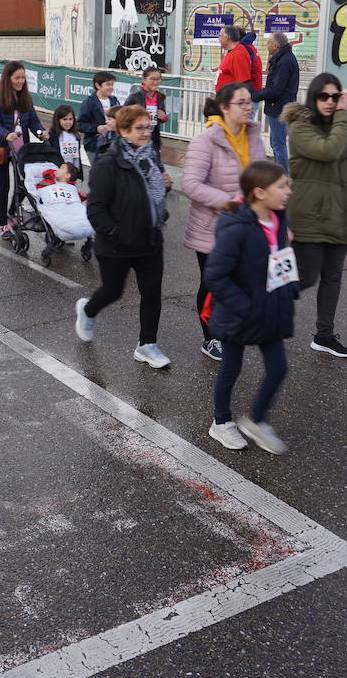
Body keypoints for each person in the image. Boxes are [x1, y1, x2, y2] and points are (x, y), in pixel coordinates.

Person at [204, 160, 297, 453]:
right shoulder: (235, 227)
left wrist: (289, 288)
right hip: (240, 312)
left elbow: (282, 255)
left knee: (278, 368)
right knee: (231, 366)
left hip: (271, 307)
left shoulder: (278, 217)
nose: (288, 191)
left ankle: (256, 421)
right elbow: (215, 276)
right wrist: (245, 306)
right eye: (282, 186)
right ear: (259, 192)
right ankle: (221, 422)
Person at [76, 104, 173, 369]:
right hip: (117, 244)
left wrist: (163, 195)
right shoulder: (108, 163)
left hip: (150, 239)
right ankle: (88, 310)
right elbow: (95, 209)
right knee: (113, 291)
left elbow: (152, 192)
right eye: (139, 128)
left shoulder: (150, 155)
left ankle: (147, 345)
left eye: (148, 127)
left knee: (152, 292)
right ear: (123, 131)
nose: (146, 133)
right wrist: (116, 233)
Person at [281, 73, 347, 358]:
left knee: (333, 276)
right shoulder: (299, 127)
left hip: (339, 214)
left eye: (335, 96)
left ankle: (324, 335)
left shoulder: (336, 128)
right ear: (313, 97)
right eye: (324, 96)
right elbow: (328, 151)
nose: (330, 102)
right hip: (310, 215)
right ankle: (265, 305)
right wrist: (342, 116)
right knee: (306, 277)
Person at [182, 82, 263, 361]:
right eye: (241, 102)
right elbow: (190, 184)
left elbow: (262, 176)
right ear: (225, 107)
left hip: (245, 226)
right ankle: (211, 338)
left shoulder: (253, 135)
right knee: (213, 284)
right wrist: (229, 203)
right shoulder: (206, 140)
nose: (248, 107)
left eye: (250, 101)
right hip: (212, 228)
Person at [0, 61, 45, 237]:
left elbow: (33, 121)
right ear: (8, 79)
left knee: (23, 184)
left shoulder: (26, 98)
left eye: (23, 78)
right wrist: (6, 134)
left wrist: (40, 132)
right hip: (1, 146)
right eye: (17, 78)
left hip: (21, 147)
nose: (20, 81)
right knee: (4, 186)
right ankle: (4, 224)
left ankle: (11, 213)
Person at [255, 32, 300, 168]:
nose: (266, 45)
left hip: (280, 108)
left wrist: (255, 95)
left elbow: (276, 89)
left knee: (278, 144)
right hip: (278, 106)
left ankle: (282, 176)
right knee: (276, 143)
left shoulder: (284, 61)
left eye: (268, 42)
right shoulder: (282, 59)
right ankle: (280, 174)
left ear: (276, 45)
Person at [76, 71, 121, 164]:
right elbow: (79, 124)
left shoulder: (114, 101)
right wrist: (96, 129)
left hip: (112, 143)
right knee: (98, 172)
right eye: (108, 84)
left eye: (112, 85)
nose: (111, 87)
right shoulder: (89, 102)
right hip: (94, 145)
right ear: (98, 85)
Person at [124, 66, 169, 156]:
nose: (155, 82)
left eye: (158, 79)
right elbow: (123, 118)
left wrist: (164, 117)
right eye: (152, 79)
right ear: (144, 80)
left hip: (154, 141)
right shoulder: (134, 97)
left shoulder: (160, 97)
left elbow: (162, 117)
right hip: (137, 141)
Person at [46, 104, 83, 179]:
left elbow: (77, 156)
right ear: (58, 120)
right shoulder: (52, 135)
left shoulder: (76, 136)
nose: (68, 122)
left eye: (70, 119)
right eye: (64, 119)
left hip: (71, 173)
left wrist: (77, 171)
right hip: (57, 171)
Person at [214, 25, 253, 93]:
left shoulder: (238, 54)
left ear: (227, 37)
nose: (218, 38)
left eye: (220, 35)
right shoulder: (232, 52)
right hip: (225, 99)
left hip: (230, 100)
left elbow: (243, 83)